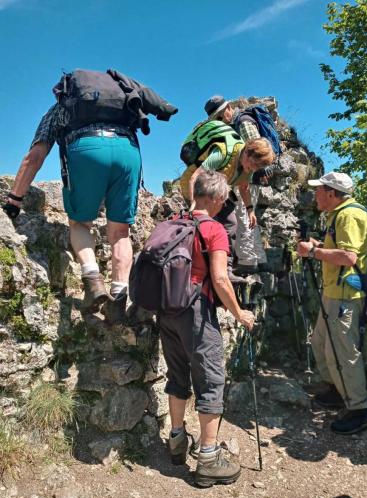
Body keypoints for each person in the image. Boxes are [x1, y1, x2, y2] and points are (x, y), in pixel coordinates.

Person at [2, 69, 177, 324]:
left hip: (87, 149)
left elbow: (34, 158)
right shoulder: (120, 106)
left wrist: (15, 200)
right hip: (127, 151)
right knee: (120, 233)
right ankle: (118, 298)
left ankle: (93, 281)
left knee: (80, 223)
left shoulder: (60, 109)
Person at [159, 171, 255, 487]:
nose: (224, 204)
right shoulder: (213, 229)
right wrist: (240, 312)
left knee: (177, 375)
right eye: (224, 199)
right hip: (196, 311)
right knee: (211, 379)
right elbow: (220, 278)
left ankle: (176, 442)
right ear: (214, 198)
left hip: (166, 310)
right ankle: (209, 460)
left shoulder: (173, 223)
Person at [297, 172, 367, 434]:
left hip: (345, 296)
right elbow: (339, 247)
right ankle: (336, 389)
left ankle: (360, 409)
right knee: (321, 341)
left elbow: (348, 256)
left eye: (319, 190)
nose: (315, 194)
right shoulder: (337, 214)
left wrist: (313, 251)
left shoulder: (349, 215)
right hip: (334, 292)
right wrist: (319, 245)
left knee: (342, 353)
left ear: (331, 193)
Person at [179, 131, 275, 282]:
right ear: (247, 152)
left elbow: (244, 187)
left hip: (217, 192)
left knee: (231, 223)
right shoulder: (223, 152)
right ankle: (196, 267)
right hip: (197, 190)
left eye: (258, 167)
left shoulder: (247, 167)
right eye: (254, 164)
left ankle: (225, 269)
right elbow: (194, 178)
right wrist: (194, 208)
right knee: (204, 226)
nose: (254, 169)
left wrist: (250, 210)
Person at [204, 95, 275, 275]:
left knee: (243, 219)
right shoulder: (233, 127)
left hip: (250, 177)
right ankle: (250, 260)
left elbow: (257, 149)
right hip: (244, 176)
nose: (221, 120)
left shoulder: (242, 122)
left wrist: (255, 170)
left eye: (221, 116)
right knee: (243, 219)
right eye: (217, 119)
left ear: (229, 107)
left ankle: (247, 262)